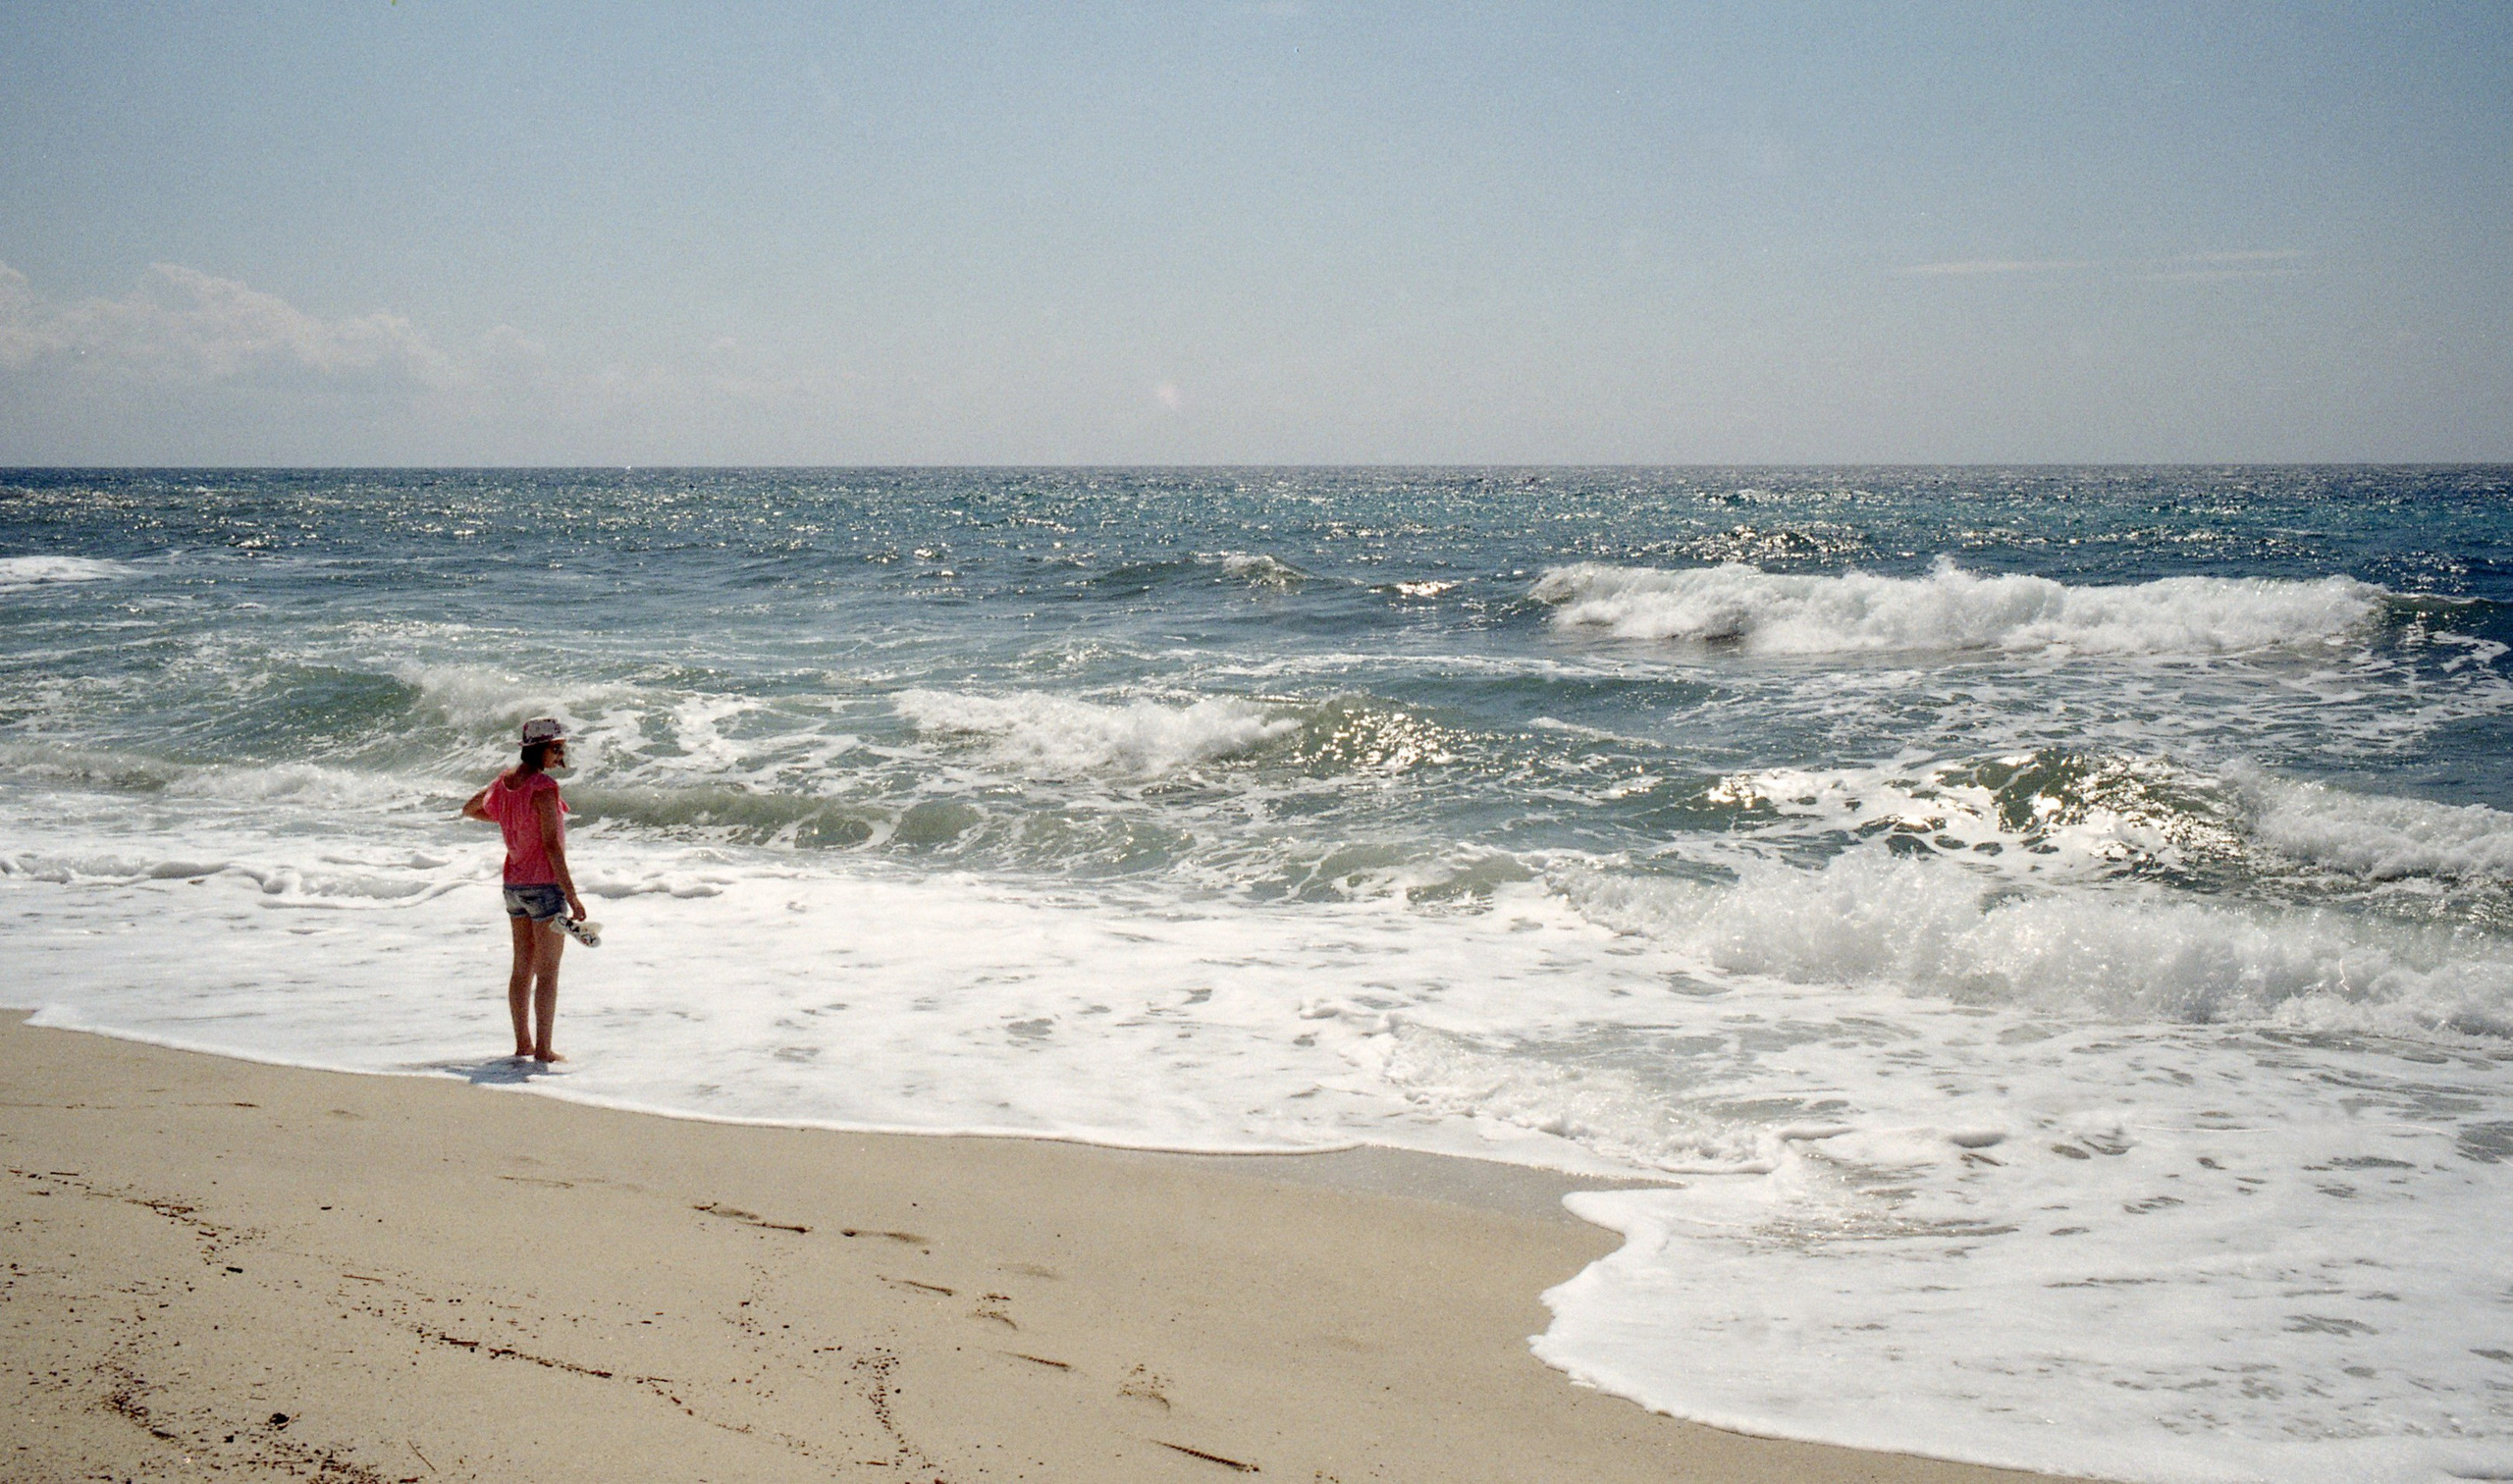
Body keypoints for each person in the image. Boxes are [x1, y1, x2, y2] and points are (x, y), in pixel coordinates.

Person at [462, 717, 587, 1063]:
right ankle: (544, 1051)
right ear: (541, 749)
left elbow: (470, 808)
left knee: (522, 969)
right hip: (545, 887)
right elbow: (551, 845)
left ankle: (523, 1045)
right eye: (556, 748)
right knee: (547, 972)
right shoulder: (544, 788)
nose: (560, 755)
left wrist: (509, 820)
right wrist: (572, 896)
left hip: (514, 885)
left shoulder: (505, 782)